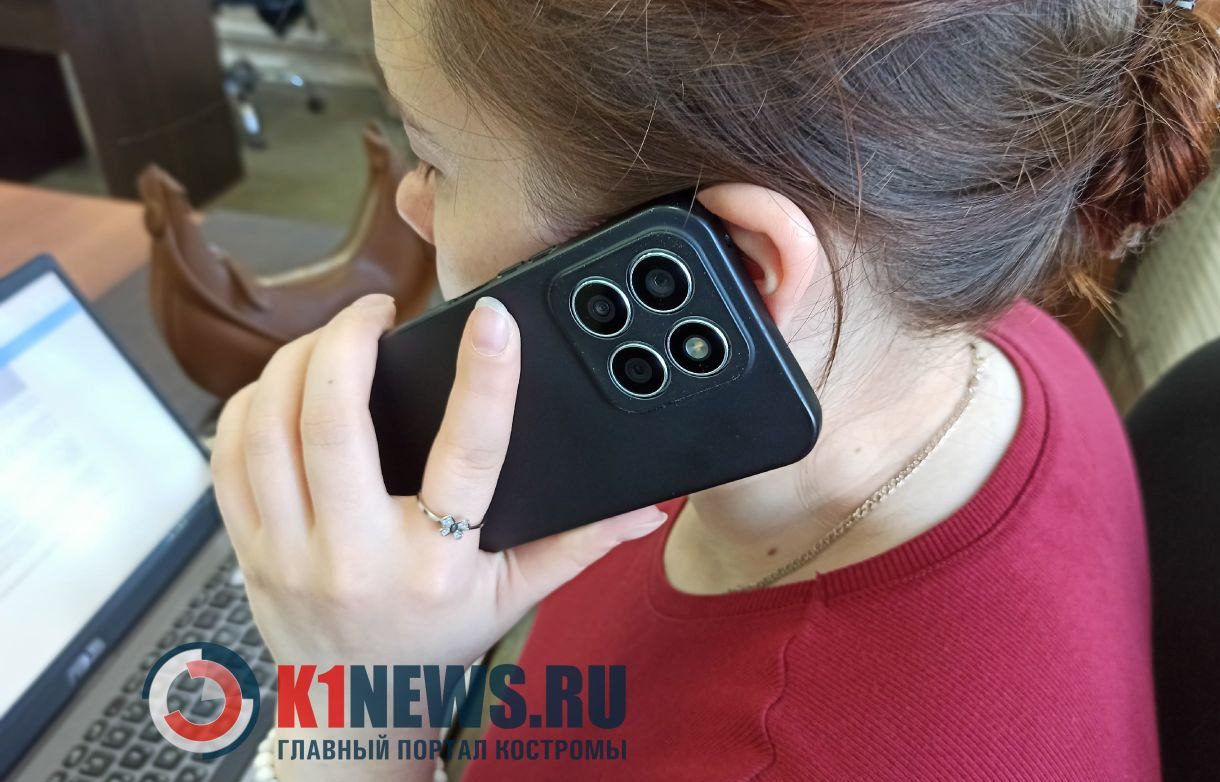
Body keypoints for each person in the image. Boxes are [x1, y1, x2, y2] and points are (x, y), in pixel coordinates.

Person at [209, 0, 1220, 779]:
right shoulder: (971, 340)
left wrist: (354, 705)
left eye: (434, 157)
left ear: (730, 274)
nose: (408, 200)